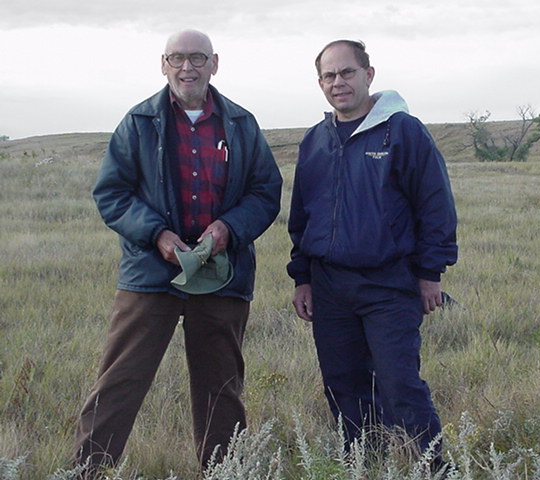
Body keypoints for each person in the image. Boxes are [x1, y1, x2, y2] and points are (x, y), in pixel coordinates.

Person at [74, 29, 282, 477]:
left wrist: (228, 228)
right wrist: (158, 236)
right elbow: (112, 193)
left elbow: (266, 193)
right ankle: (84, 472)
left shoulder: (242, 125)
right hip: (151, 275)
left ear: (215, 63)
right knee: (119, 382)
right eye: (178, 58)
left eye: (197, 58)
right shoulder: (139, 122)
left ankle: (223, 472)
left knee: (221, 388)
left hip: (221, 275)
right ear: (163, 63)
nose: (187, 67)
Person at [287, 40, 457, 468]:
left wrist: (430, 273)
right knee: (343, 385)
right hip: (328, 287)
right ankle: (364, 465)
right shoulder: (316, 141)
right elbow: (302, 217)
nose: (338, 83)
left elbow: (435, 206)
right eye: (329, 76)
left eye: (347, 72)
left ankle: (435, 469)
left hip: (389, 284)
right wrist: (302, 277)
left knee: (400, 386)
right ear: (320, 83)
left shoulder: (403, 131)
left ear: (369, 74)